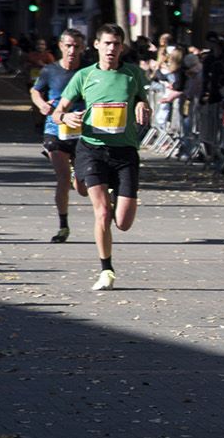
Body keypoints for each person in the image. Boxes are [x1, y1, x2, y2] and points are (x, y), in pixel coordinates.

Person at [51, 24, 151, 291]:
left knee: (124, 223)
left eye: (116, 44)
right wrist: (66, 117)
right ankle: (106, 270)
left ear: (122, 47)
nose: (111, 49)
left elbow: (142, 99)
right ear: (96, 45)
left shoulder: (133, 74)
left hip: (125, 151)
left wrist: (142, 104)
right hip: (92, 148)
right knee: (102, 212)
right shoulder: (84, 76)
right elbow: (57, 112)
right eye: (106, 43)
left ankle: (102, 184)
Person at [30, 29, 86, 242]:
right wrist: (42, 104)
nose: (72, 50)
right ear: (61, 46)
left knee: (82, 188)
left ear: (83, 48)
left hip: (81, 131)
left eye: (76, 46)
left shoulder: (88, 71)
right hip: (55, 130)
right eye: (68, 45)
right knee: (62, 177)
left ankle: (78, 176)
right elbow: (35, 91)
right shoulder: (49, 70)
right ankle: (63, 226)